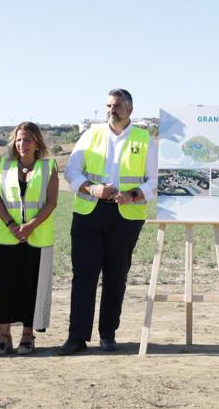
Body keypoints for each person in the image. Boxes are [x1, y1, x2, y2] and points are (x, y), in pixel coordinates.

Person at [58, 89, 157, 354]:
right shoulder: (91, 134)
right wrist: (92, 189)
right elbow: (71, 171)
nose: (111, 110)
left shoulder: (144, 139)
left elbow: (155, 180)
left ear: (130, 110)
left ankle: (108, 334)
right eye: (108, 106)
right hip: (89, 213)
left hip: (125, 216)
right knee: (84, 277)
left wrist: (133, 195)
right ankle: (77, 337)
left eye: (117, 106)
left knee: (116, 277)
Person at [0, 122, 61, 355]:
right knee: (4, 288)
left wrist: (30, 226)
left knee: (32, 288)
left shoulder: (48, 167)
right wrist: (12, 225)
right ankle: (4, 336)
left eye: (27, 140)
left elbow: (51, 202)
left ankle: (28, 336)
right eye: (18, 140)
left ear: (37, 142)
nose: (22, 144)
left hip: (37, 237)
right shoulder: (4, 165)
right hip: (8, 236)